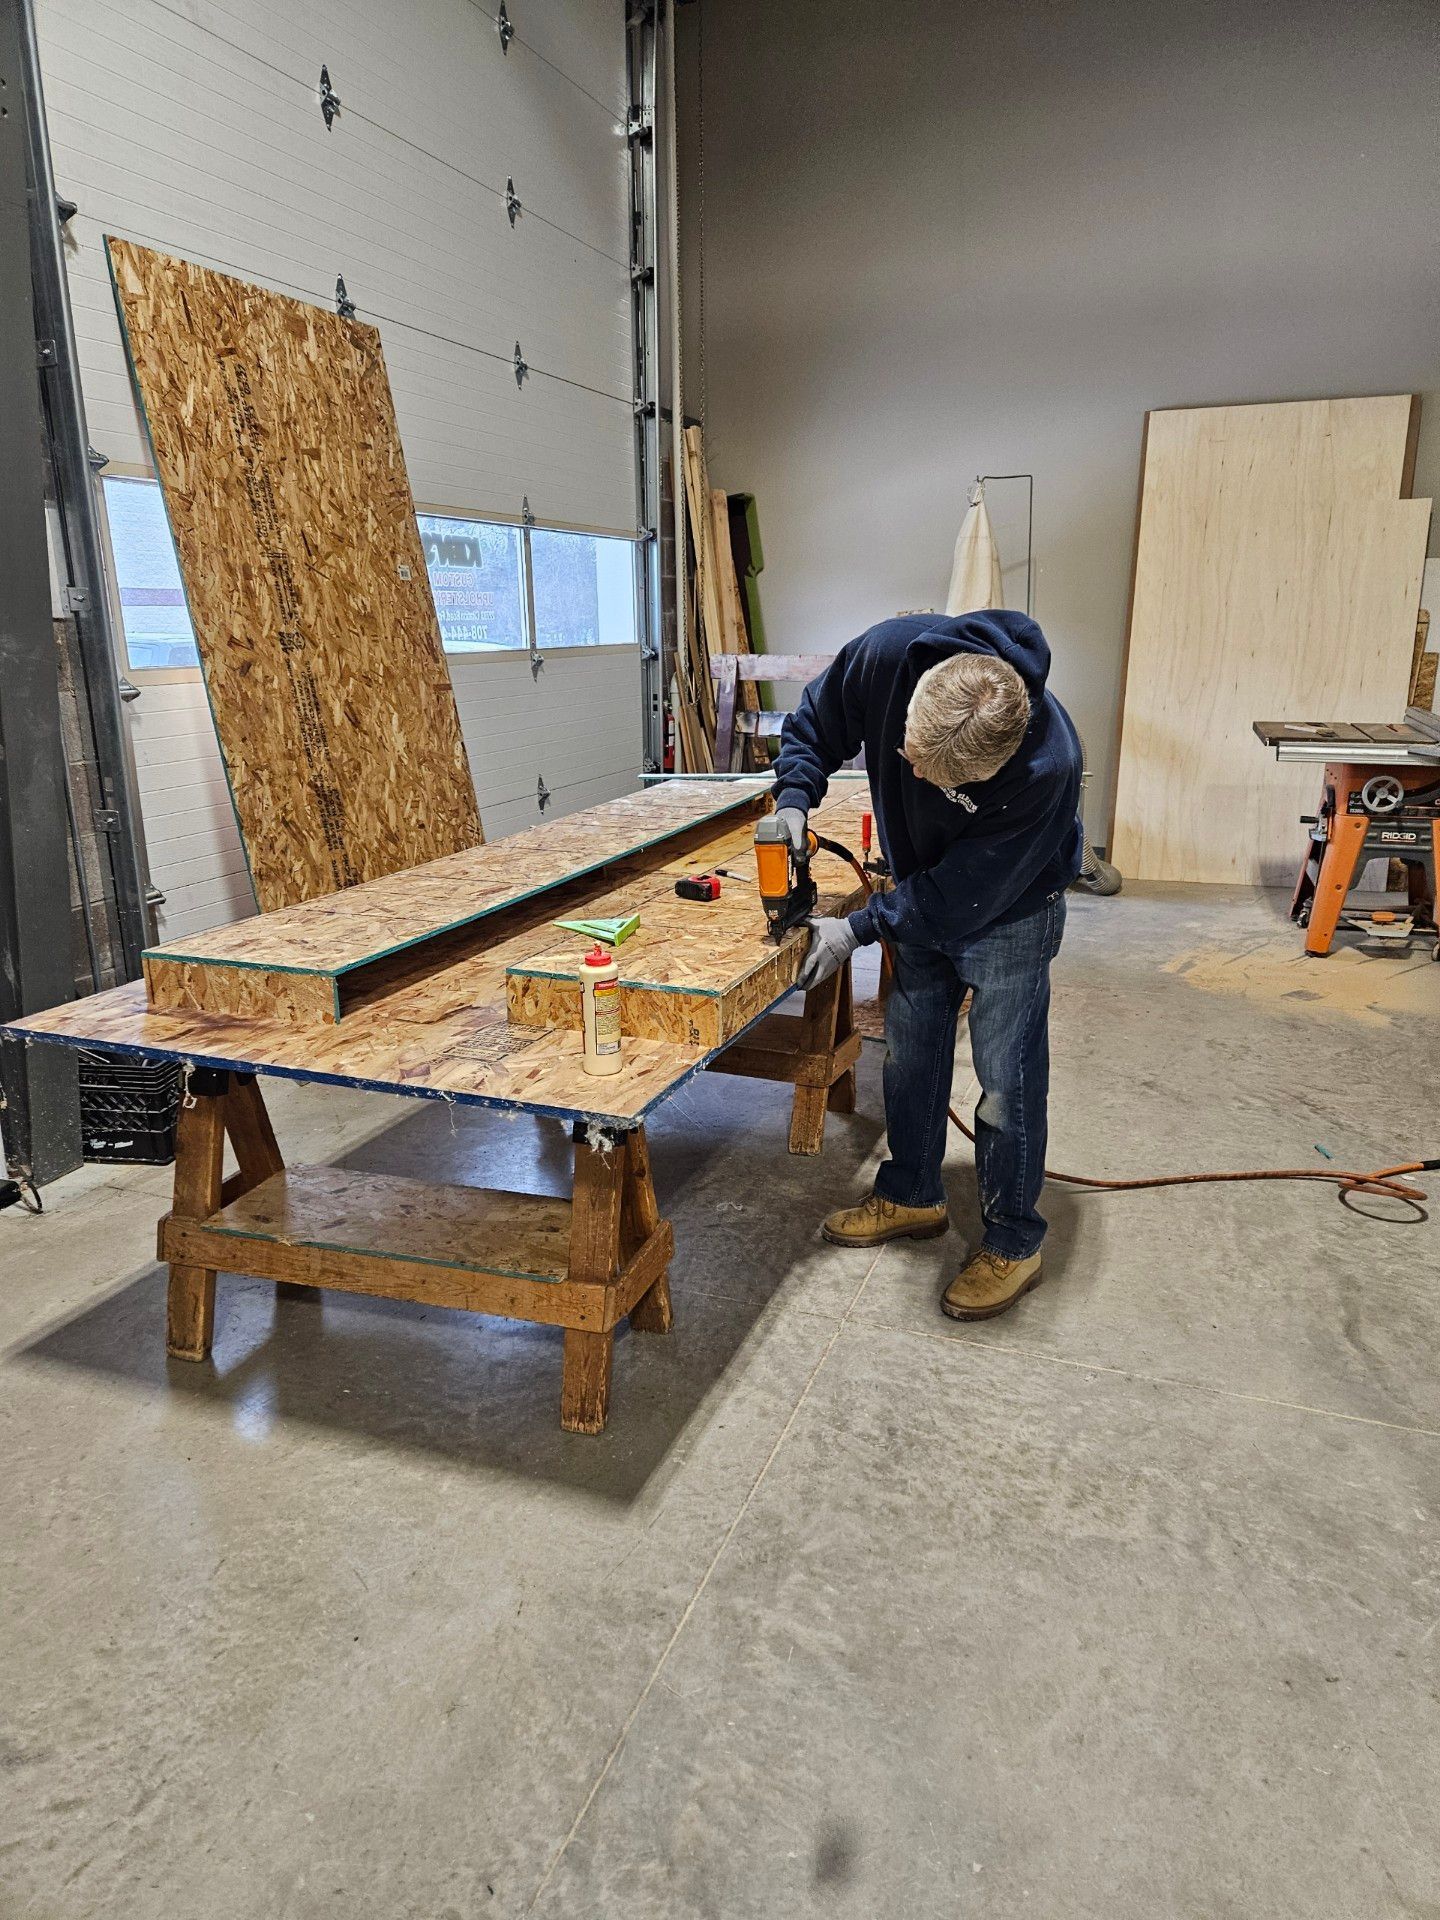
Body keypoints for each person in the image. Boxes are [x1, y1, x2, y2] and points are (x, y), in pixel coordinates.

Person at [771, 609, 1083, 1320]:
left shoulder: (1047, 766)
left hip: (1011, 910)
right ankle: (911, 1194)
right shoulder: (886, 655)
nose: (907, 773)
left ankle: (1013, 1239)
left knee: (1006, 1080)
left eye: (935, 777)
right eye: (908, 755)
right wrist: (794, 798)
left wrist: (857, 930)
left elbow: (958, 895)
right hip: (920, 888)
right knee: (911, 1054)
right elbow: (817, 720)